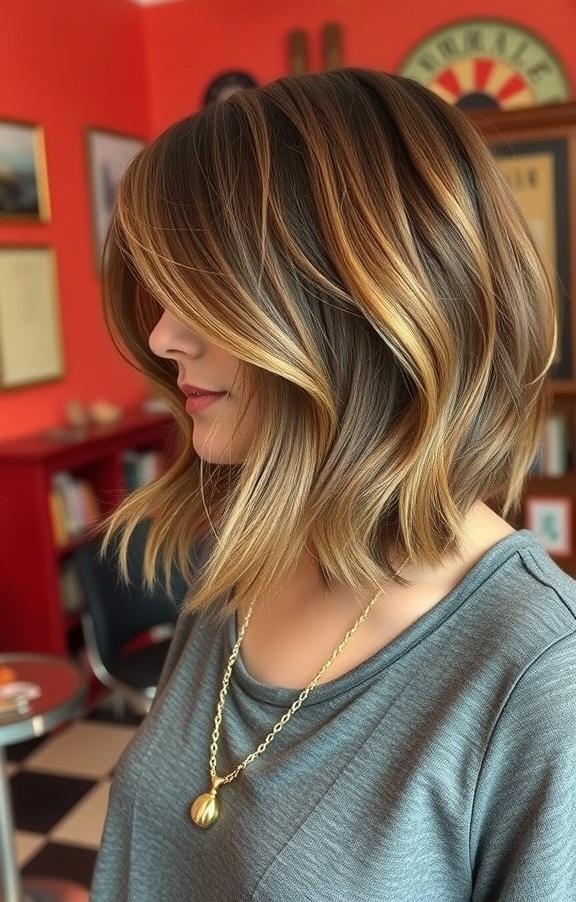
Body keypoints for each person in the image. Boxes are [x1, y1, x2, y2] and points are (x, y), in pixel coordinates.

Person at [90, 69, 576, 901]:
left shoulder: (539, 679)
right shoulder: (243, 557)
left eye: (210, 291)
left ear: (363, 301)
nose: (163, 333)